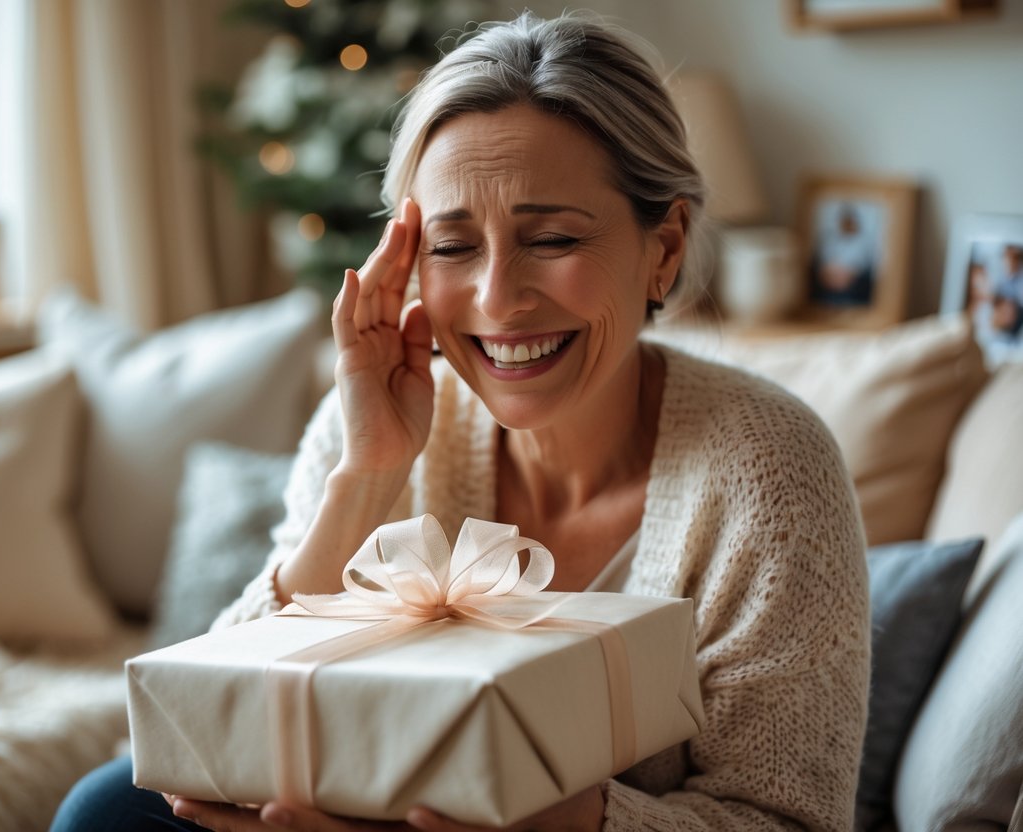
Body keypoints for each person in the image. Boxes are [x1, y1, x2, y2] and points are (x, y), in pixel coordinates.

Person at [52, 12, 869, 832]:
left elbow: (785, 817)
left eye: (549, 238)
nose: (496, 300)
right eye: (451, 248)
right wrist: (369, 475)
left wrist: (544, 814)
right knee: (106, 809)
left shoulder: (769, 470)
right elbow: (209, 719)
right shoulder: (369, 427)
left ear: (661, 248)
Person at [810, 203, 877, 306]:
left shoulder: (863, 242)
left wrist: (846, 275)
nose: (847, 225)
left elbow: (861, 266)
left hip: (853, 281)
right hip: (830, 278)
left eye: (849, 222)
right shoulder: (831, 239)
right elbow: (825, 262)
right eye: (844, 222)